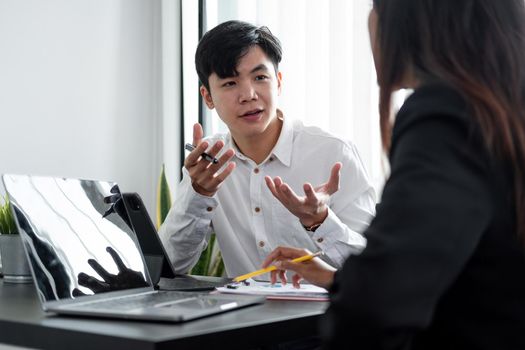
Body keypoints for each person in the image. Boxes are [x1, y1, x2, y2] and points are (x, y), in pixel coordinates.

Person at [263, 0, 525, 348]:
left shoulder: (445, 117)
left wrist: (356, 287)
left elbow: (376, 306)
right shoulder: (501, 108)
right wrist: (338, 279)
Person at [158, 20, 376, 278]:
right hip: (245, 318)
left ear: (279, 82)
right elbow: (166, 267)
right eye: (230, 83)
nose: (248, 94)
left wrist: (320, 221)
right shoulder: (209, 165)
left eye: (260, 77)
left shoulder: (334, 153)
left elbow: (374, 269)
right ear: (207, 97)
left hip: (326, 315)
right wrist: (198, 194)